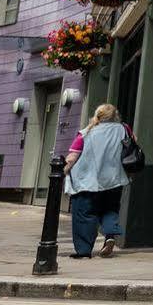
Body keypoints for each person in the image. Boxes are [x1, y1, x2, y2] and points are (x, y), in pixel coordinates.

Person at [64, 103, 133, 258]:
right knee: (110, 210)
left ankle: (83, 251)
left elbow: (72, 157)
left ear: (97, 116)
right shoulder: (124, 129)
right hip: (115, 180)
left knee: (85, 214)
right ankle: (109, 236)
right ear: (116, 116)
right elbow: (132, 145)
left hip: (88, 182)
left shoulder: (86, 132)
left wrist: (63, 171)